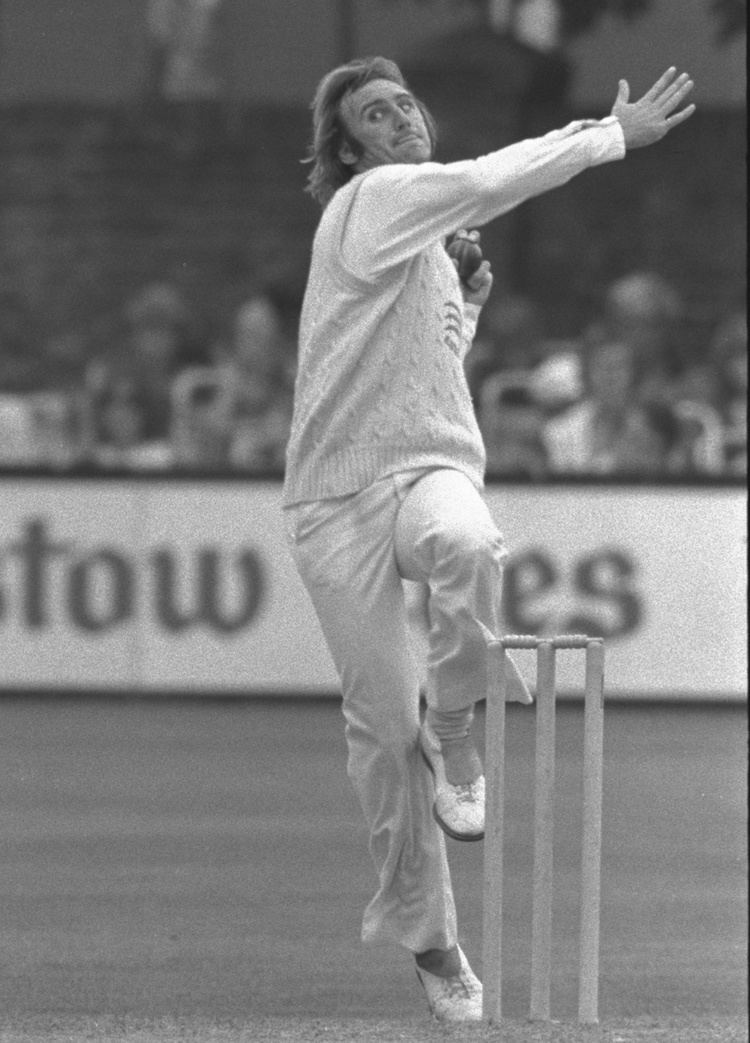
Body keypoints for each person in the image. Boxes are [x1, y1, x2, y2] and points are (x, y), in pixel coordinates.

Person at [282, 56, 695, 1022]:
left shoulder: (425, 243)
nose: (400, 120)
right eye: (376, 116)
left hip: (429, 466)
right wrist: (607, 135)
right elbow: (485, 179)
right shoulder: (371, 202)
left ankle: (459, 722)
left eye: (405, 104)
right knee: (384, 732)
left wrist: (463, 305)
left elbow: (419, 370)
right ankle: (433, 940)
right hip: (333, 499)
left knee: (469, 544)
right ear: (351, 152)